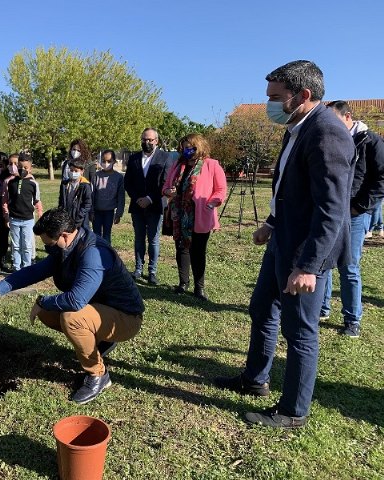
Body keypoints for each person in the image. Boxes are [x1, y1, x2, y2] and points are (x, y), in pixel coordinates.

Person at [214, 60, 355, 428]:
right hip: (282, 239)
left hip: (304, 252)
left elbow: (331, 208)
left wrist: (309, 266)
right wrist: (271, 223)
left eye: (275, 97)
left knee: (300, 332)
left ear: (303, 95)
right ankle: (255, 378)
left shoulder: (327, 133)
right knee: (262, 307)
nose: (269, 105)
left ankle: (294, 411)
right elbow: (291, 191)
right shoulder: (296, 128)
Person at [0, 208, 144, 404]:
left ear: (64, 236)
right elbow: (34, 271)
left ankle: (98, 376)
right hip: (101, 310)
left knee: (72, 318)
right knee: (48, 312)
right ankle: (101, 340)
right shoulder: (66, 248)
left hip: (126, 318)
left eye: (49, 244)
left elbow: (76, 301)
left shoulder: (93, 253)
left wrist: (42, 300)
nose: (48, 248)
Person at [319, 101, 384, 337]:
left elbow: (381, 180)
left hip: (355, 215)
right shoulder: (331, 140)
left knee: (349, 266)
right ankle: (321, 308)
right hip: (330, 211)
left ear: (348, 117)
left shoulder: (371, 142)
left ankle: (352, 319)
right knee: (323, 260)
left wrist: (359, 207)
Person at [162, 134, 226, 301]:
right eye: (183, 147)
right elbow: (166, 186)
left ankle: (199, 287)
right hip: (179, 213)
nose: (185, 150)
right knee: (181, 248)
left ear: (199, 147)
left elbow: (220, 190)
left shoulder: (211, 165)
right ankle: (183, 283)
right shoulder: (178, 165)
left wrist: (211, 204)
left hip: (199, 214)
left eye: (189, 147)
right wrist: (169, 191)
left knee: (198, 251)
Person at [124, 128, 173, 285]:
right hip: (137, 206)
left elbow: (165, 182)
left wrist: (150, 199)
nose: (147, 142)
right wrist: (138, 198)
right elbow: (128, 182)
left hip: (155, 205)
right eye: (144, 139)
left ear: (156, 141)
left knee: (153, 240)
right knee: (139, 239)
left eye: (150, 140)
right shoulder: (133, 158)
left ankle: (152, 271)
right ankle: (138, 269)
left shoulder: (165, 157)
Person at [2, 153, 43, 271]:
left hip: (28, 220)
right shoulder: (10, 182)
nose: (22, 169)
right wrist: (6, 216)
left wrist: (40, 212)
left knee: (27, 245)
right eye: (20, 166)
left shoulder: (33, 183)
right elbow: (6, 201)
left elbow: (37, 200)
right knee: (15, 245)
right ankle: (16, 267)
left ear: (30, 168)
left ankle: (26, 267)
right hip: (14, 219)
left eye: (25, 167)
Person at [92, 150, 125, 245]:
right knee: (96, 235)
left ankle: (106, 255)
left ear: (114, 161)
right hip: (96, 211)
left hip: (109, 212)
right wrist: (91, 211)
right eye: (103, 161)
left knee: (107, 235)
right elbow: (92, 194)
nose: (106, 163)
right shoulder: (96, 175)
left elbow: (121, 196)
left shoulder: (118, 177)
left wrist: (119, 213)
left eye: (109, 161)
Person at [58, 158, 93, 229]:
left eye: (76, 171)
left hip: (80, 221)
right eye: (71, 170)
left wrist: (79, 216)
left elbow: (88, 203)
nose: (73, 172)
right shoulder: (64, 184)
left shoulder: (85, 186)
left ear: (82, 171)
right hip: (66, 218)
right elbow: (61, 199)